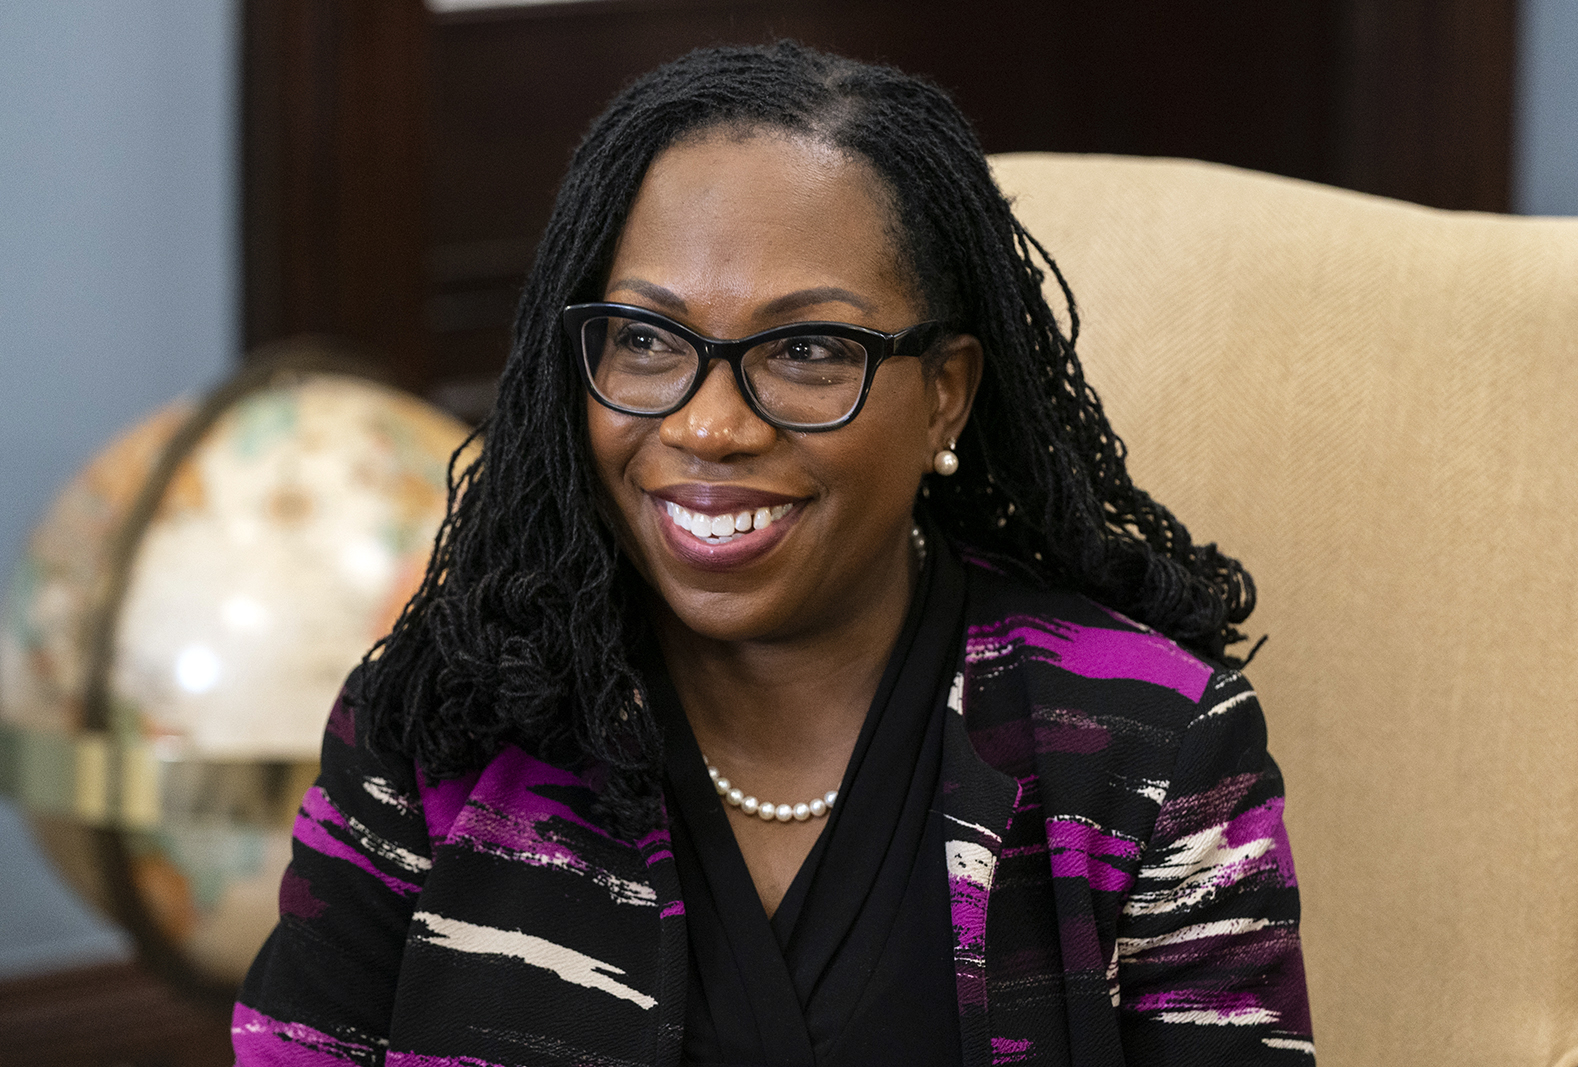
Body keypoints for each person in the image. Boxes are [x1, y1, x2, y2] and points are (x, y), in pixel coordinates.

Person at [232, 42, 1313, 1067]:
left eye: (805, 349)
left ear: (946, 393)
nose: (708, 426)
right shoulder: (438, 722)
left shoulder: (1148, 751)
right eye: (648, 339)